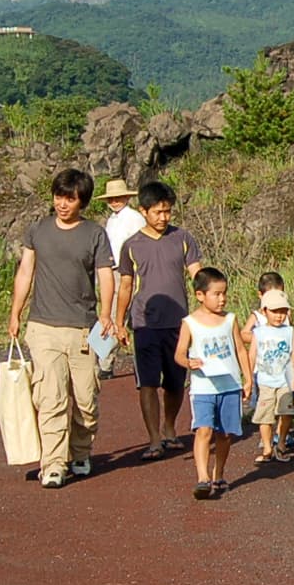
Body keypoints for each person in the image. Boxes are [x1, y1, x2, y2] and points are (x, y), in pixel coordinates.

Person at [8, 169, 116, 489]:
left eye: (70, 198)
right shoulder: (38, 230)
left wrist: (106, 314)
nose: (63, 204)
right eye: (59, 196)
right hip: (43, 327)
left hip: (83, 329)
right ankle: (53, 464)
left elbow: (106, 275)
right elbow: (25, 272)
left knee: (86, 400)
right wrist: (15, 313)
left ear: (82, 201)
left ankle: (80, 452)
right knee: (50, 398)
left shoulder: (95, 234)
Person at [114, 181, 203, 461]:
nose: (163, 217)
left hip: (179, 323)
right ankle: (154, 438)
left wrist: (209, 309)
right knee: (148, 383)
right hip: (144, 323)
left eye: (167, 211)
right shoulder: (131, 245)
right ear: (143, 211)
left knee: (176, 382)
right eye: (157, 212)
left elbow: (197, 275)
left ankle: (169, 428)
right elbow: (126, 285)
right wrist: (118, 321)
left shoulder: (183, 238)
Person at [175, 268, 252, 500]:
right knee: (204, 430)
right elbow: (179, 353)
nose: (222, 299)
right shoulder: (190, 323)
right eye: (216, 294)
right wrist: (188, 362)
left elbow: (240, 349)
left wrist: (248, 379)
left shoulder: (230, 320)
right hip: (203, 388)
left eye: (224, 293)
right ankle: (203, 477)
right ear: (200, 295)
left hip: (229, 386)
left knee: (225, 434)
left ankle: (219, 473)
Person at [247, 288, 294, 464]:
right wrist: (248, 379)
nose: (279, 316)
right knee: (265, 415)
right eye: (275, 311)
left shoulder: (289, 331)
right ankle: (267, 446)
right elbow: (251, 356)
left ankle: (282, 442)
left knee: (286, 412)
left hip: (285, 380)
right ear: (265, 311)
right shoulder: (258, 332)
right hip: (265, 381)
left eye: (283, 311)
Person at [97, 179, 145, 377]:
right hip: (112, 270)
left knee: (121, 315)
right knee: (110, 314)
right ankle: (104, 361)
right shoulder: (111, 219)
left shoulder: (134, 218)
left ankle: (105, 364)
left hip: (129, 271)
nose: (114, 201)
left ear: (126, 197)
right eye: (111, 199)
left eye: (118, 197)